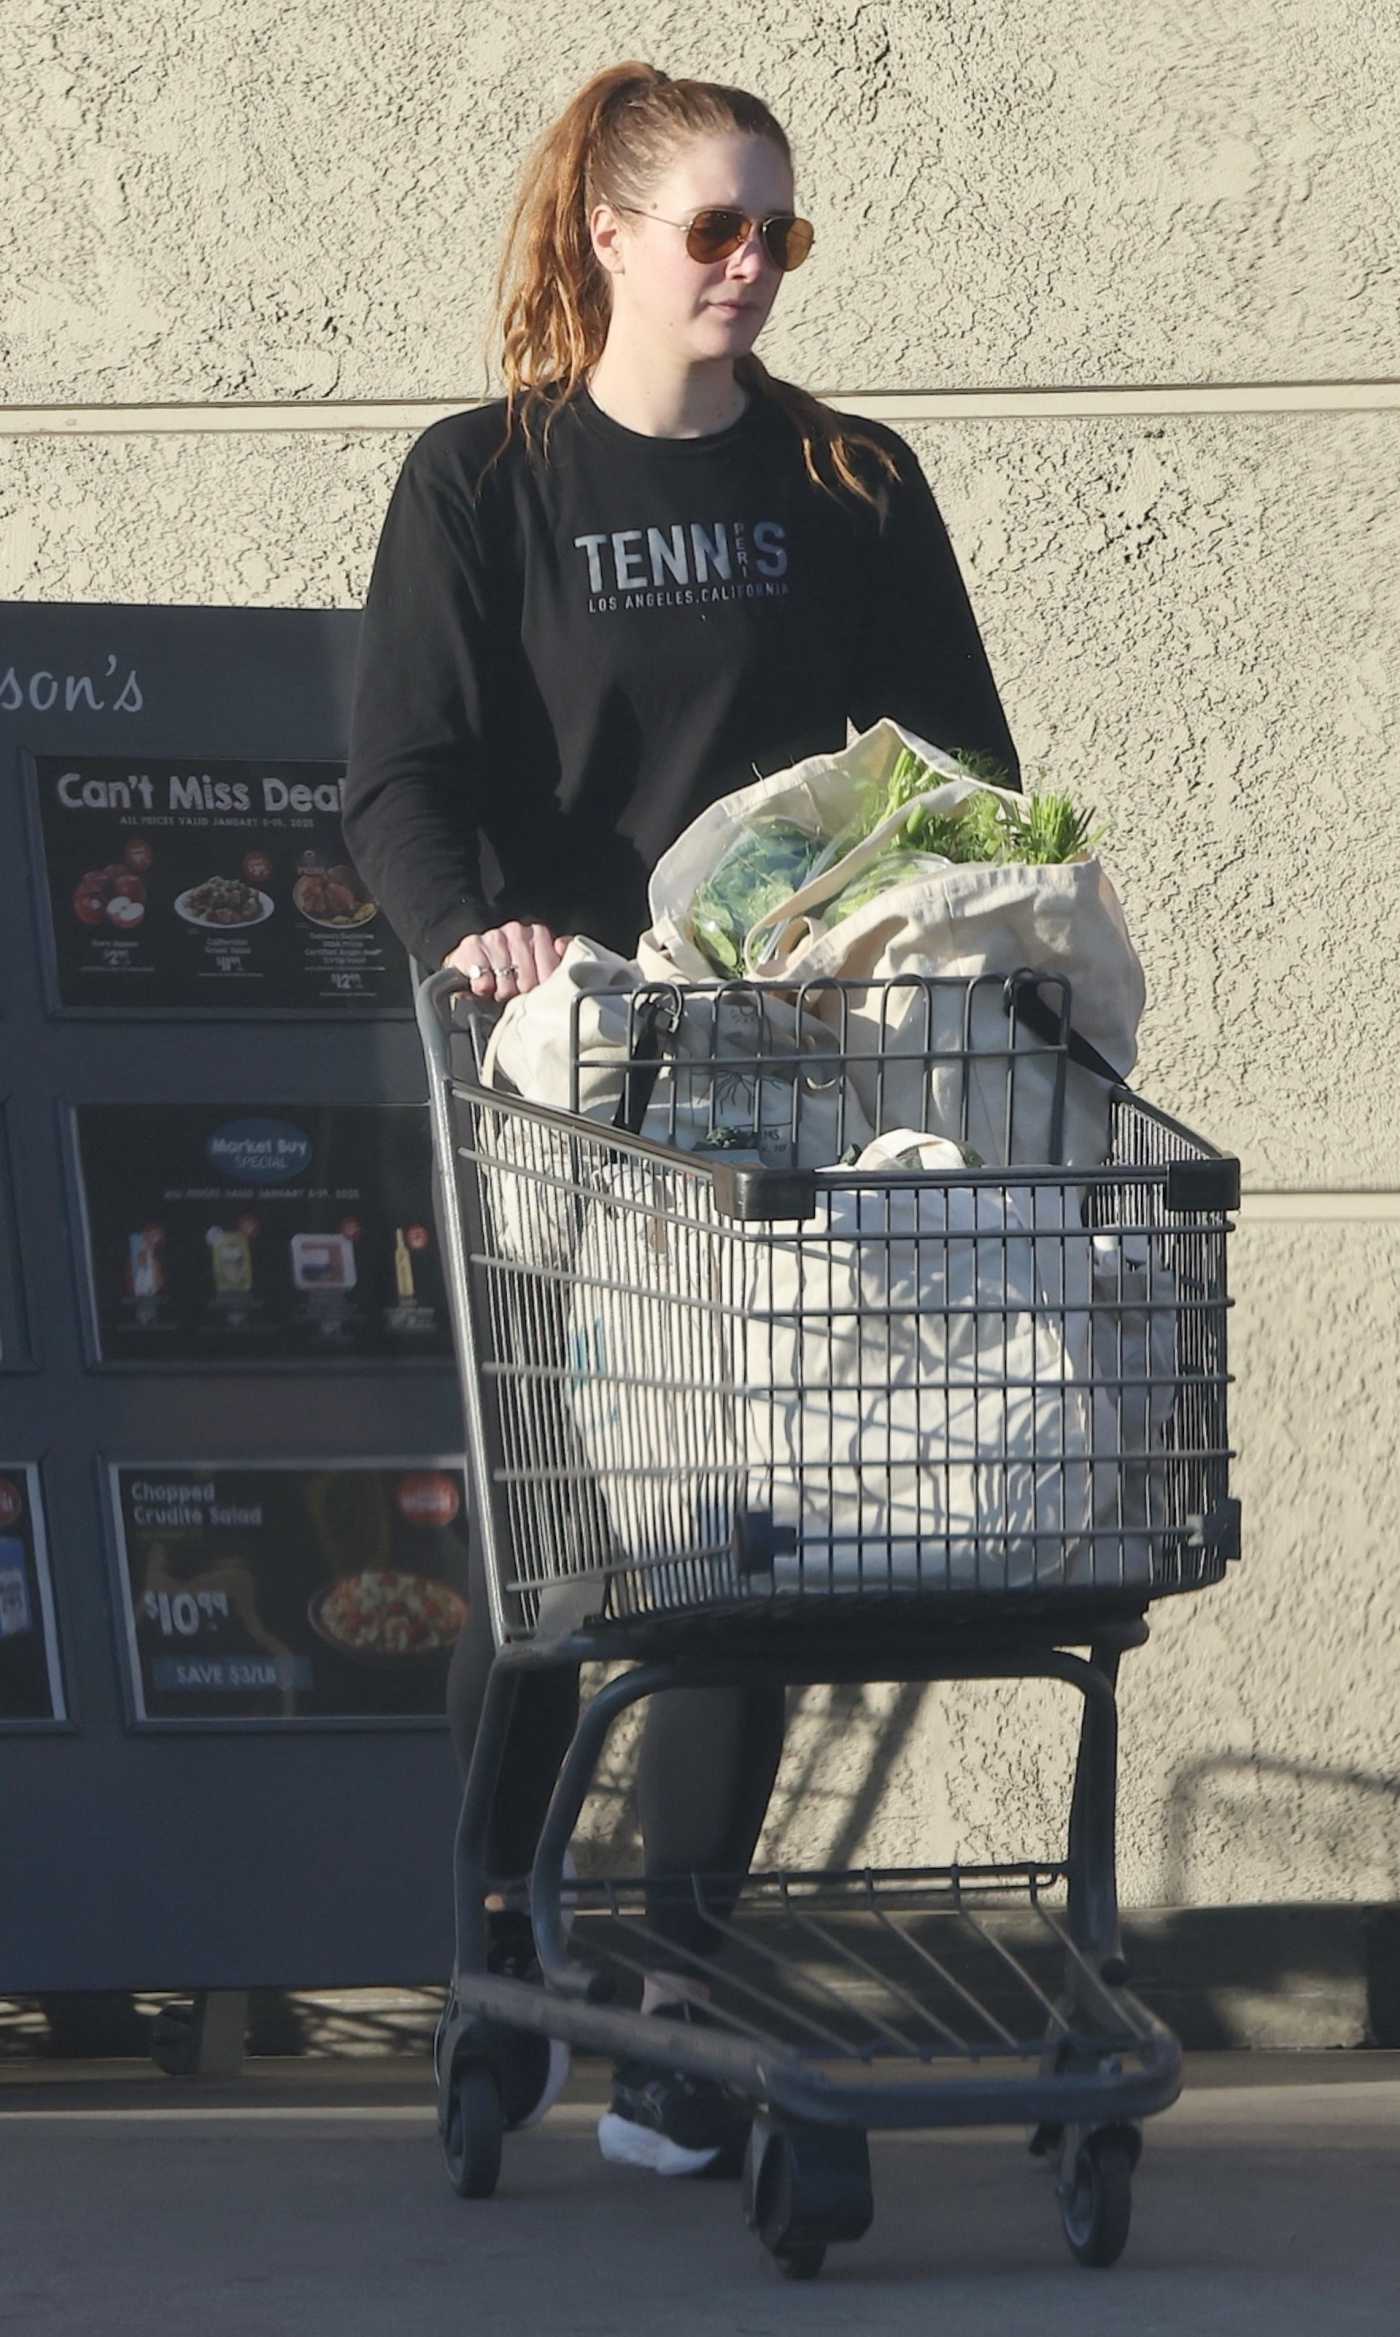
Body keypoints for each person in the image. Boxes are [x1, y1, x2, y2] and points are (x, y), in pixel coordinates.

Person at [343, 61, 1019, 2177]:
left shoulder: (847, 475)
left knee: (752, 1535)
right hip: (564, 1084)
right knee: (570, 1546)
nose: (746, 268)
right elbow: (403, 774)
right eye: (712, 230)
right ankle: (488, 1950)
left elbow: (956, 761)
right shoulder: (486, 484)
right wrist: (479, 937)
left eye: (775, 236)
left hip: (782, 1079)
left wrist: (914, 909)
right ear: (609, 237)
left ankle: (676, 1994)